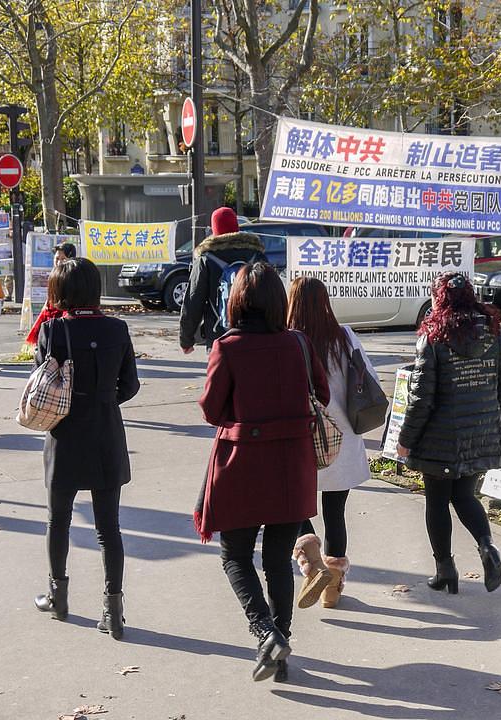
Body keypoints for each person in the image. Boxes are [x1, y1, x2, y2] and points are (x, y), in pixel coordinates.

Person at [195, 261, 330, 684]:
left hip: (243, 464)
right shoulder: (299, 343)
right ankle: (280, 645)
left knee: (235, 554)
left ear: (236, 302)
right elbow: (321, 394)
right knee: (276, 558)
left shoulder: (227, 346)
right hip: (292, 464)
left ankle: (266, 633)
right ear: (277, 303)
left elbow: (212, 410)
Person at [33, 258, 140, 641]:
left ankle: (58, 597)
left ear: (60, 291)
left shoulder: (52, 330)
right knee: (108, 528)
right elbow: (130, 385)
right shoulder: (118, 328)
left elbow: (41, 383)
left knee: (57, 520)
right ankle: (114, 610)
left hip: (64, 437)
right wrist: (104, 401)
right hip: (106, 434)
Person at [397, 272, 501, 594]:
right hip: (482, 431)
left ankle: (445, 569)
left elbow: (421, 400)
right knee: (464, 495)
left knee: (436, 501)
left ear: (438, 299)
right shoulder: (491, 333)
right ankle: (487, 547)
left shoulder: (432, 337)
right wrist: (488, 418)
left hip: (440, 438)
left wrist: (406, 442)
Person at [287, 277, 381, 608]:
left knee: (294, 503)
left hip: (301, 435)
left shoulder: (288, 340)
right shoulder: (345, 336)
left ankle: (312, 560)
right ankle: (333, 583)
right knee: (335, 511)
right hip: (341, 437)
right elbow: (369, 375)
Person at [179, 207, 266, 354]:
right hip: (255, 334)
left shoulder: (206, 258)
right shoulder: (256, 254)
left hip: (219, 334)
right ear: (236, 226)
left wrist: (186, 339)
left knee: (219, 375)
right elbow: (270, 293)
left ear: (214, 228)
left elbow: (194, 299)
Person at [26, 242, 78, 345]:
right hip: (50, 311)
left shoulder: (73, 276)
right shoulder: (54, 273)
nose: (59, 262)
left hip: (65, 313)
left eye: (63, 259)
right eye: (57, 259)